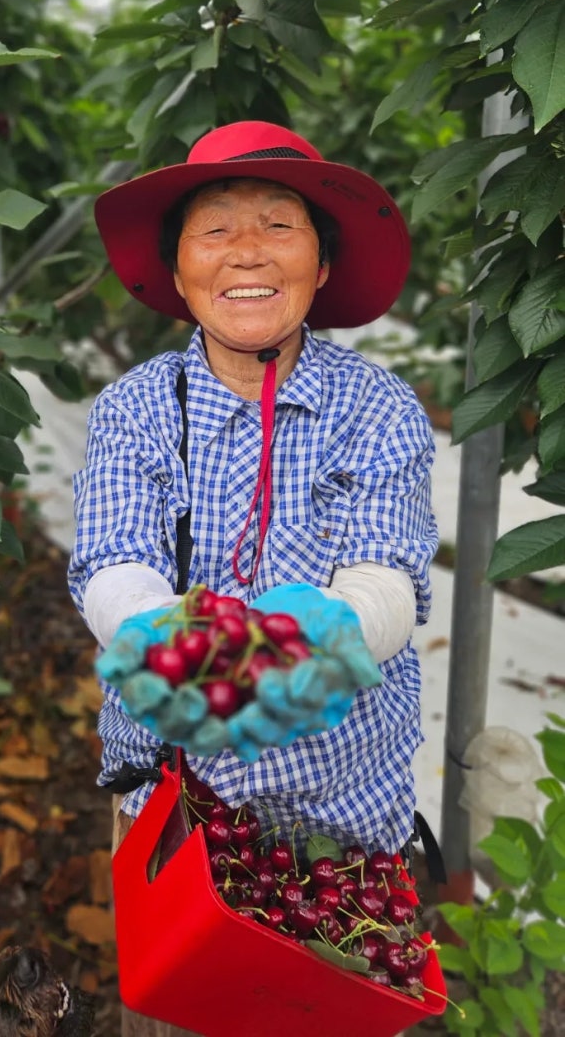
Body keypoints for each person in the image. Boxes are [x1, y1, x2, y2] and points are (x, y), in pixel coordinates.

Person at [67, 120, 438, 1037]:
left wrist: (314, 636)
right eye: (214, 228)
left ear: (321, 264)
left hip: (344, 801)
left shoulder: (375, 407)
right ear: (178, 269)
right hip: (181, 800)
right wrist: (165, 639)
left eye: (279, 224)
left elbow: (386, 576)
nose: (246, 251)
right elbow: (114, 560)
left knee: (323, 1006)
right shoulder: (138, 408)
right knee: (179, 1000)